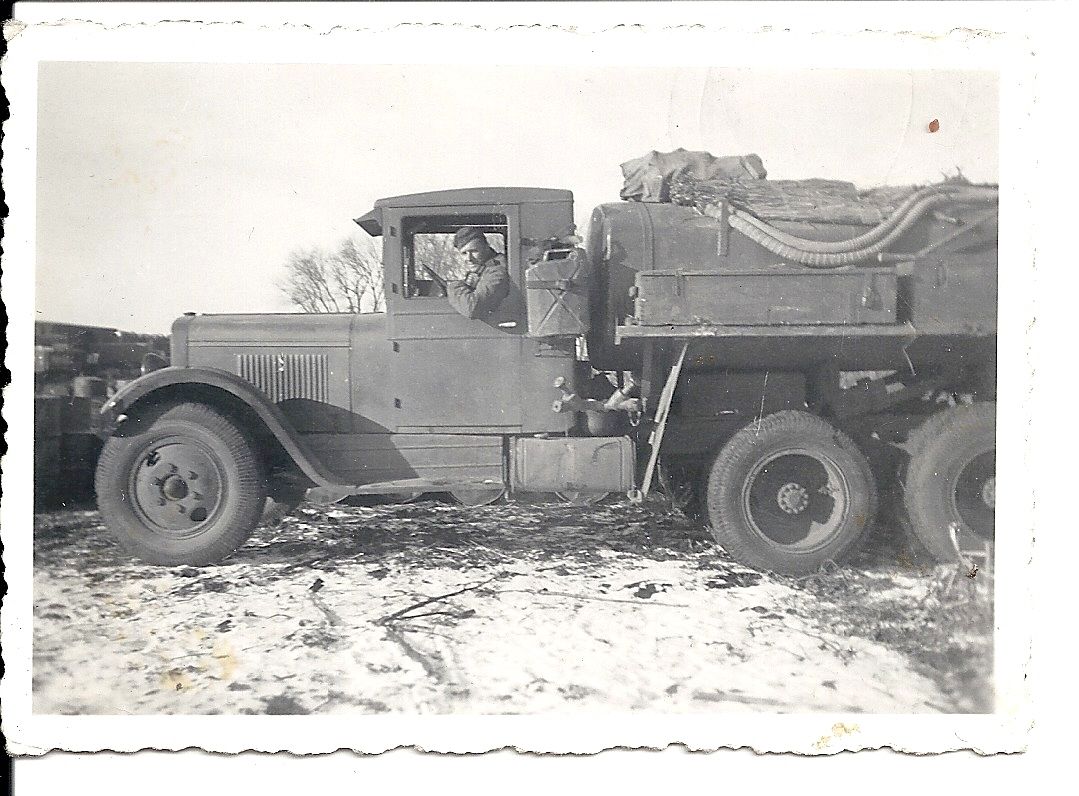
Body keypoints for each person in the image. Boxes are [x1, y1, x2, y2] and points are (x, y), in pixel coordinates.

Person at [447, 226, 510, 320]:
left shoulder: (497, 270)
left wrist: (453, 286)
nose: (469, 258)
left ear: (486, 247)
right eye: (464, 253)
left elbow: (472, 308)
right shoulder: (482, 269)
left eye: (474, 251)